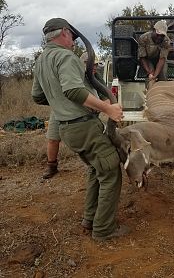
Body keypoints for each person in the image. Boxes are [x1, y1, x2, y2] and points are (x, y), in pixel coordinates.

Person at [32, 18, 130, 242]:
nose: (74, 43)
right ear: (65, 33)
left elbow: (37, 96)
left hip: (69, 130)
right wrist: (108, 108)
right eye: (72, 38)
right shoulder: (65, 56)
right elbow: (74, 91)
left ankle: (89, 218)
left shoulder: (41, 60)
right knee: (111, 171)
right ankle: (104, 229)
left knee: (97, 169)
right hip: (83, 125)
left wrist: (59, 103)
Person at [40, 53, 107, 180]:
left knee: (92, 139)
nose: (94, 67)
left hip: (84, 112)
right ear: (82, 64)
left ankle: (95, 164)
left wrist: (106, 109)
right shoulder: (69, 72)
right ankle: (51, 166)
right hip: (61, 109)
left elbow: (105, 96)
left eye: (96, 65)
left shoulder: (95, 77)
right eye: (91, 64)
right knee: (53, 138)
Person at [138, 20, 171, 86]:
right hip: (148, 59)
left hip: (159, 59)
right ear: (153, 30)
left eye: (162, 36)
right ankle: (148, 93)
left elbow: (162, 59)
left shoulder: (166, 41)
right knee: (150, 76)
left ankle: (162, 94)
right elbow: (142, 57)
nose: (159, 37)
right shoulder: (143, 38)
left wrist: (155, 76)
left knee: (163, 76)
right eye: (158, 34)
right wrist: (149, 72)